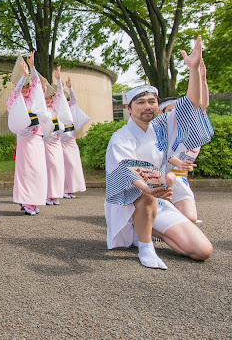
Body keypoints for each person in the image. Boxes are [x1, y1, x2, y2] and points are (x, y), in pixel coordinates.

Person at [104, 36, 213, 269]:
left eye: (151, 101)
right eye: (140, 102)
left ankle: (145, 228)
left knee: (202, 250)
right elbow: (125, 169)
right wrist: (150, 187)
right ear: (128, 108)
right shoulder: (121, 137)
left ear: (158, 104)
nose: (147, 106)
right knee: (143, 193)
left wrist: (194, 70)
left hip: (159, 197)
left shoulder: (162, 127)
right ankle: (145, 246)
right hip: (132, 200)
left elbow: (191, 105)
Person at [158, 57, 212, 223]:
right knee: (168, 180)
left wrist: (201, 78)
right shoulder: (161, 128)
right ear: (162, 113)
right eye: (170, 111)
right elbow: (163, 152)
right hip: (162, 175)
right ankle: (154, 213)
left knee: (191, 218)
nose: (175, 114)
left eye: (178, 111)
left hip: (180, 176)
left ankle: (171, 211)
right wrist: (179, 163)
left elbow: (202, 105)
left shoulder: (192, 127)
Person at [6, 52, 49, 215]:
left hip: (37, 137)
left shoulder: (33, 98)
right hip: (24, 138)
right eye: (22, 85)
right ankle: (25, 201)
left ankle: (34, 199)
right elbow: (14, 97)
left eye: (27, 85)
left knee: (37, 170)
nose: (25, 89)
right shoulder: (15, 98)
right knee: (26, 170)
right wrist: (23, 78)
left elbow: (37, 84)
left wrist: (32, 68)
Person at [42, 67, 74, 206]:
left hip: (56, 142)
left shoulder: (55, 108)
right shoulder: (42, 110)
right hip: (45, 142)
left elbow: (60, 94)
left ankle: (54, 194)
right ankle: (47, 194)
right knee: (49, 168)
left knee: (57, 168)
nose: (48, 100)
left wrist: (58, 80)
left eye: (50, 98)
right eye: (46, 98)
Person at [61, 76, 89, 199]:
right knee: (64, 165)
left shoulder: (71, 107)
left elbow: (74, 100)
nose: (67, 101)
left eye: (68, 99)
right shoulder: (58, 108)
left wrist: (70, 88)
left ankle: (71, 188)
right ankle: (63, 189)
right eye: (65, 99)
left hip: (71, 140)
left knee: (74, 165)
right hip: (61, 140)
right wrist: (60, 89)